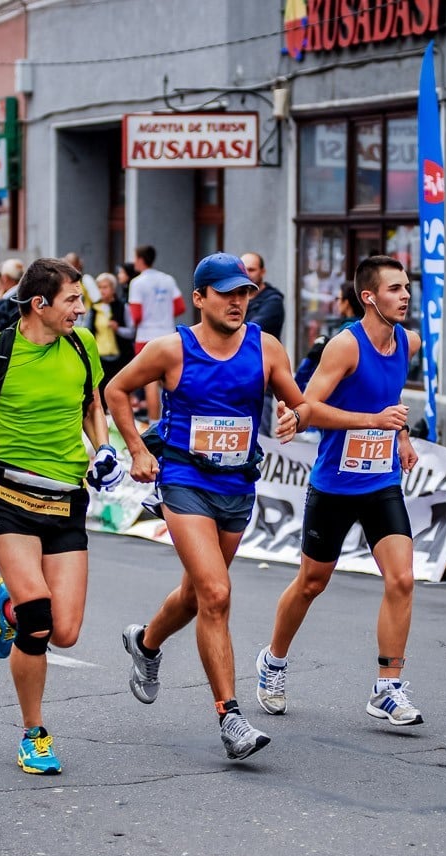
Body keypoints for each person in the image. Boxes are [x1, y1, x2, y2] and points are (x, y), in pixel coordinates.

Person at [105, 252, 309, 761]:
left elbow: (297, 401)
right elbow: (116, 389)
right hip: (183, 477)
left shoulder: (266, 348)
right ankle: (231, 717)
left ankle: (146, 644)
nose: (239, 302)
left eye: (244, 293)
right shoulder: (171, 349)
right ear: (200, 298)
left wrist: (293, 417)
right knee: (217, 593)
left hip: (237, 483)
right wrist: (136, 449)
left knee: (196, 595)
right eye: (227, 293)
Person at [0, 257, 124, 774]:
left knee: (66, 632)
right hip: (9, 497)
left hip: (66, 500)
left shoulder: (82, 347)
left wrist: (103, 448)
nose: (81, 311)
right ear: (39, 304)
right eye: (72, 301)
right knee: (41, 617)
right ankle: (34, 733)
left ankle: (8, 605)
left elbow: (92, 403)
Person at [256, 255, 423, 727]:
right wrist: (365, 422)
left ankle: (387, 688)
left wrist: (402, 438)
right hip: (334, 484)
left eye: (406, 286)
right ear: (369, 297)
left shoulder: (405, 342)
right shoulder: (345, 347)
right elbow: (310, 407)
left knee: (403, 579)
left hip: (381, 481)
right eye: (394, 288)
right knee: (312, 582)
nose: (405, 295)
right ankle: (273, 661)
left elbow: (390, 401)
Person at [128, 245, 186, 424]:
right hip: (168, 334)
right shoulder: (168, 279)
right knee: (170, 379)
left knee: (150, 383)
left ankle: (154, 423)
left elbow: (136, 315)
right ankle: (177, 419)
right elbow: (180, 307)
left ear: (140, 259)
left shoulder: (137, 282)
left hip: (146, 336)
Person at [241, 252, 285, 436]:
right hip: (232, 374)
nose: (247, 274)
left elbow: (247, 331)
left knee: (260, 438)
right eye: (243, 270)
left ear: (263, 271)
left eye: (251, 269)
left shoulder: (273, 302)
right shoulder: (238, 299)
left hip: (260, 377)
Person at [92, 271, 134, 409]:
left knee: (119, 391)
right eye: (100, 287)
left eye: (105, 287)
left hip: (120, 357)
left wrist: (118, 329)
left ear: (113, 288)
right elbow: (86, 330)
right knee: (101, 391)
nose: (102, 291)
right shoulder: (94, 308)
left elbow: (132, 332)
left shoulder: (123, 306)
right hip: (100, 357)